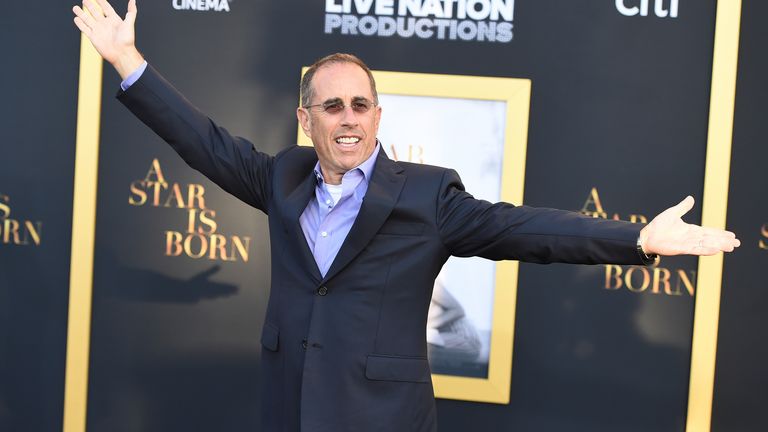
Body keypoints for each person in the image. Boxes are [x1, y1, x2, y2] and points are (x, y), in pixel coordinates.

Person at [72, 1, 740, 431]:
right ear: (305, 119)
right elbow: (203, 142)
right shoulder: (281, 176)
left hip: (380, 417)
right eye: (331, 107)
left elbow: (521, 228)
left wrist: (640, 240)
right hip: (288, 409)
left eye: (360, 105)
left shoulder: (425, 196)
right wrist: (126, 59)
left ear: (378, 117)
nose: (348, 120)